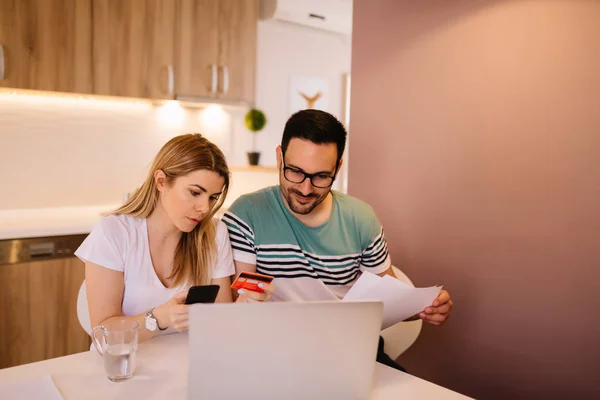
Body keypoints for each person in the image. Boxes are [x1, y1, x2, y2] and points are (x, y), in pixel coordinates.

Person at [223, 110, 453, 371]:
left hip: (350, 351)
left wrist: (426, 307)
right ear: (279, 158)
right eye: (295, 172)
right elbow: (239, 306)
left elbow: (388, 299)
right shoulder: (247, 214)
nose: (306, 189)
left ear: (338, 167)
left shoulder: (360, 218)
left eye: (321, 176)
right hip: (275, 352)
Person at [75, 133, 236, 343]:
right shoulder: (114, 232)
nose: (205, 208)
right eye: (195, 193)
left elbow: (220, 319)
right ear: (161, 181)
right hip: (124, 369)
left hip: (186, 366)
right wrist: (161, 317)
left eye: (213, 197)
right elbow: (104, 335)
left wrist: (245, 308)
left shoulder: (214, 234)